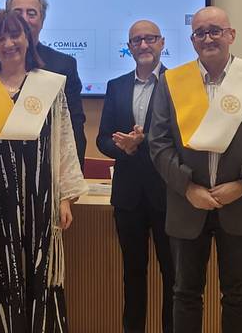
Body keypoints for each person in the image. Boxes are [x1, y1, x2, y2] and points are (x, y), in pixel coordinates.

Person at [0, 9, 89, 332]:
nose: (9, 43)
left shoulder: (49, 86)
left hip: (40, 198)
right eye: (0, 37)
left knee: (40, 278)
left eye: (15, 35)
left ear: (28, 39)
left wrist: (65, 198)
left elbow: (63, 141)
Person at [148, 6, 242, 333]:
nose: (208, 38)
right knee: (185, 293)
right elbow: (159, 142)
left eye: (215, 31)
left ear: (231, 35)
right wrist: (188, 188)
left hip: (239, 203)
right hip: (187, 204)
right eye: (200, 33)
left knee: (237, 293)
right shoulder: (172, 82)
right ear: (192, 40)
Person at [96, 20, 174, 333]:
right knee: (133, 273)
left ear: (162, 43)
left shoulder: (178, 83)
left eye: (150, 39)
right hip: (128, 197)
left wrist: (145, 141)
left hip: (169, 194)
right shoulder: (116, 86)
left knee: (173, 275)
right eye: (137, 40)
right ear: (129, 47)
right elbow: (102, 139)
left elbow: (185, 138)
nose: (144, 45)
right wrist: (123, 148)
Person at [0, 0, 87, 168]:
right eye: (17, 13)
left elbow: (74, 127)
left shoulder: (63, 65)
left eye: (31, 13)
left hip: (42, 169)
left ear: (42, 21)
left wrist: (73, 176)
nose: (24, 18)